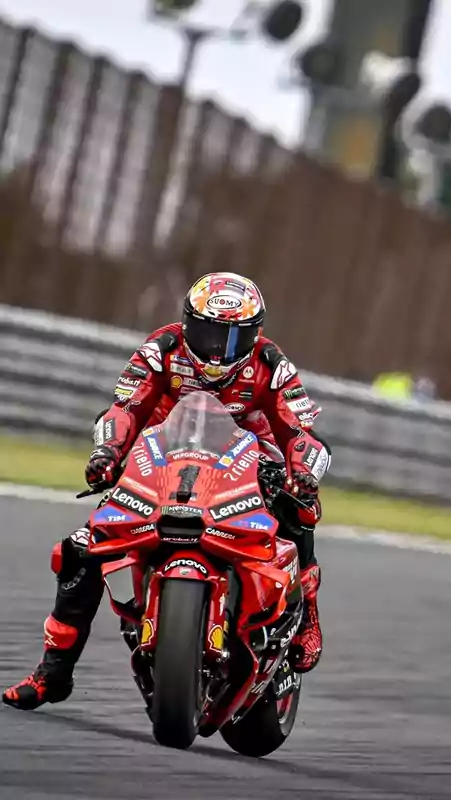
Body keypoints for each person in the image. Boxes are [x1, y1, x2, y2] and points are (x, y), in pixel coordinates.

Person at [3, 272, 332, 711]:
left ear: (253, 335)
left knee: (300, 507)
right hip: (162, 458)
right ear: (187, 322)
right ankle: (53, 672)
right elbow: (124, 409)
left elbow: (300, 430)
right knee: (81, 549)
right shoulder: (162, 349)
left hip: (248, 461)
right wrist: (108, 452)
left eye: (232, 338)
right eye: (208, 332)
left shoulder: (271, 364)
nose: (217, 349)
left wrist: (300, 470)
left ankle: (307, 609)